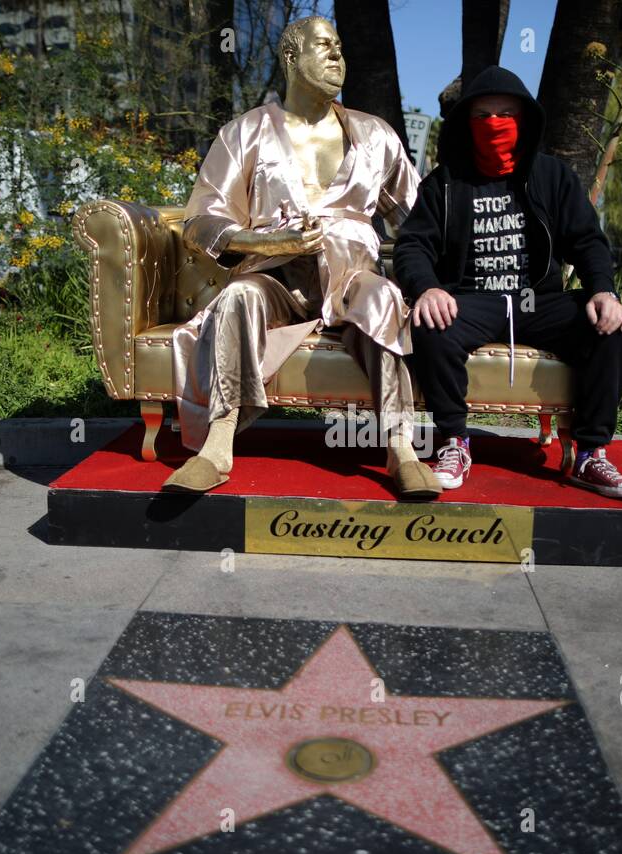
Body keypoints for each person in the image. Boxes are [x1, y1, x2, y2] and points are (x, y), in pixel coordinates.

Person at [164, 15, 441, 500]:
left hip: (353, 277)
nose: (337, 55)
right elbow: (201, 222)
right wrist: (271, 244)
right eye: (323, 45)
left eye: (340, 46)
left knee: (382, 297)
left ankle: (401, 448)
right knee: (238, 298)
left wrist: (437, 278)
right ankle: (219, 443)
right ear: (290, 57)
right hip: (274, 279)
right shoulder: (245, 132)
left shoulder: (376, 136)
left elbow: (419, 222)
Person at [393, 66, 622, 498]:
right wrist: (427, 288)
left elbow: (587, 241)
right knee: (430, 321)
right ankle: (455, 442)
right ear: (465, 125)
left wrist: (604, 290)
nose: (494, 124)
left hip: (539, 300)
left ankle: (590, 455)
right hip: (471, 300)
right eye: (482, 116)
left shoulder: (554, 176)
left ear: (524, 120)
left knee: (610, 324)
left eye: (505, 114)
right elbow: (411, 246)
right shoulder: (446, 183)